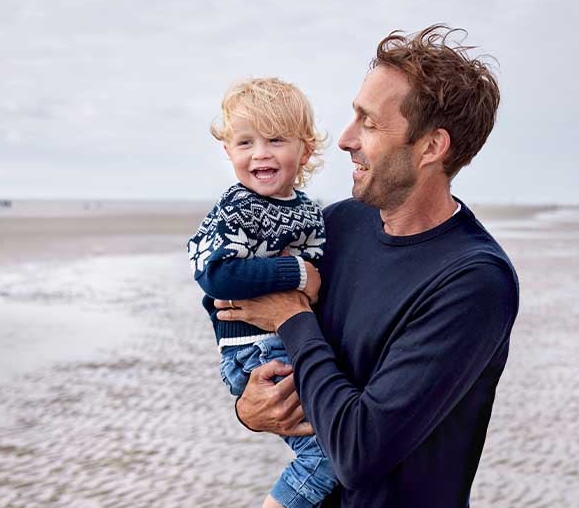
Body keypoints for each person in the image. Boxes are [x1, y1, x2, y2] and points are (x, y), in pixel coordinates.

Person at [215, 25, 520, 507]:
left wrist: (292, 317)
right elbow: (260, 339)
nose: (345, 139)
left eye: (369, 123)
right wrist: (249, 408)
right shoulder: (337, 224)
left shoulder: (474, 281)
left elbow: (359, 451)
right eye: (354, 116)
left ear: (431, 148)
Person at [187, 77, 337, 508]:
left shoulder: (308, 209)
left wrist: (311, 283)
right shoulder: (237, 208)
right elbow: (218, 276)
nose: (260, 153)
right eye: (245, 142)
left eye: (275, 140)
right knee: (327, 451)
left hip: (281, 340)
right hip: (251, 350)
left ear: (305, 151)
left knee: (341, 428)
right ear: (229, 151)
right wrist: (298, 273)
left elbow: (317, 283)